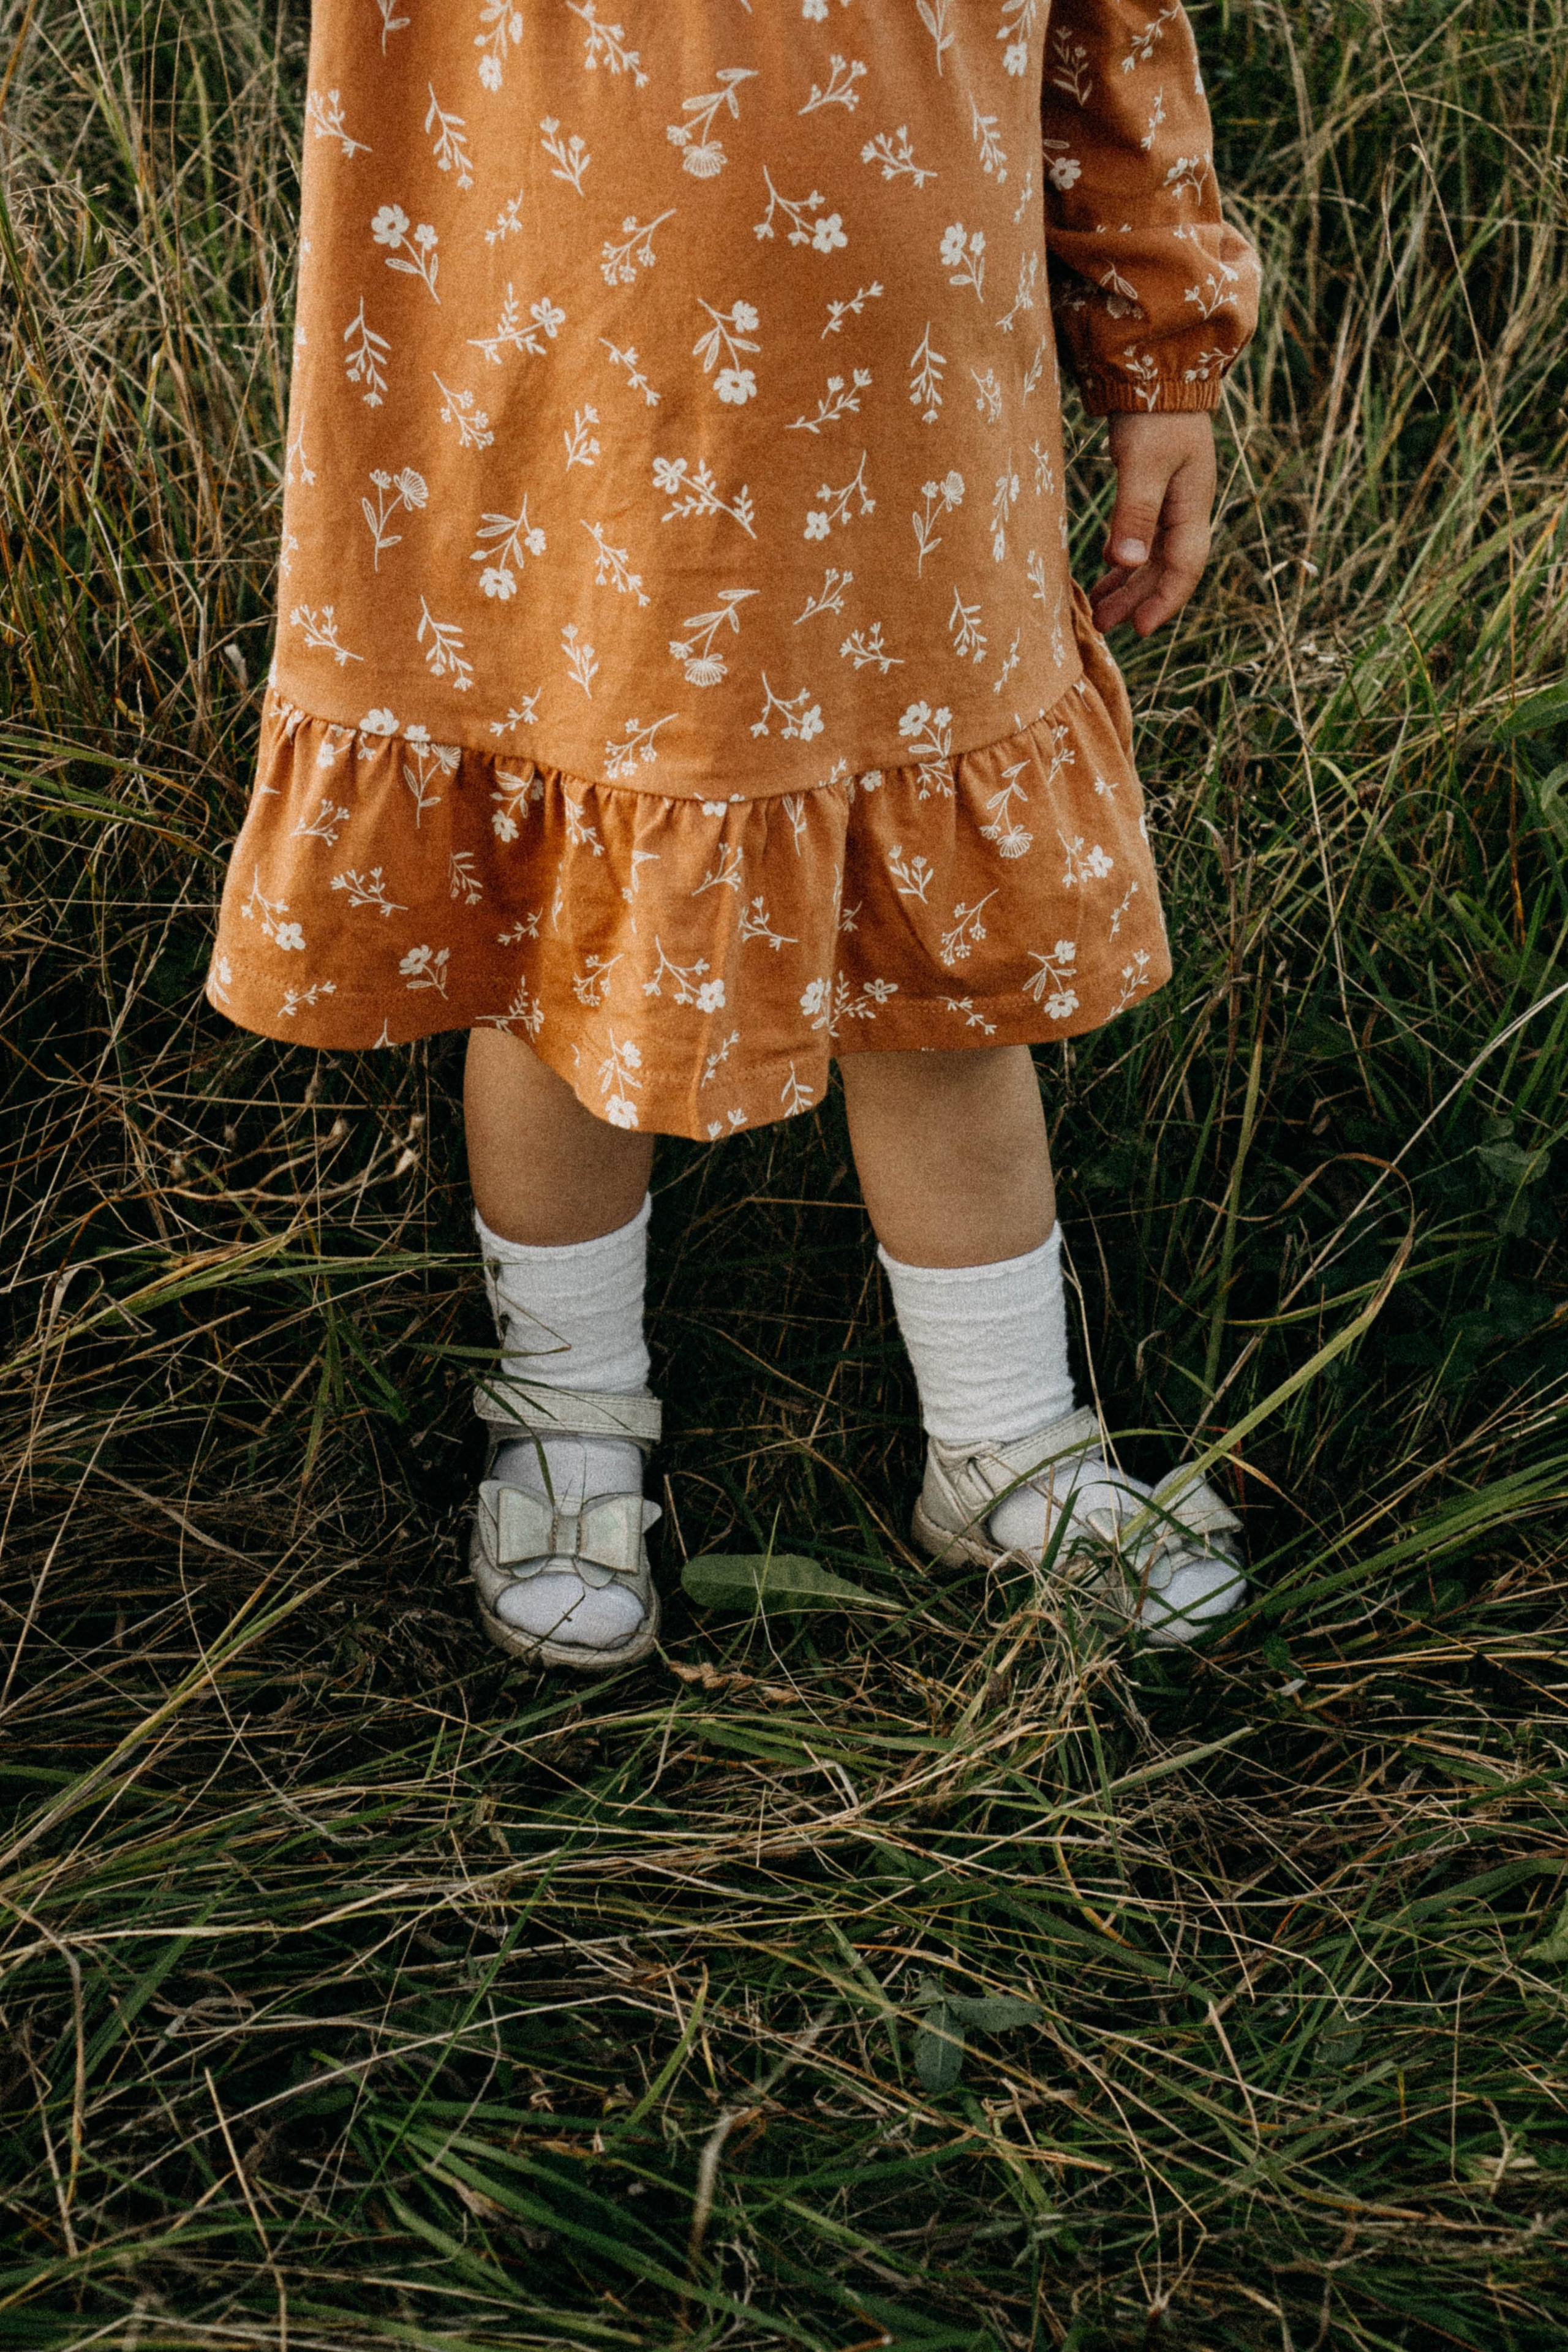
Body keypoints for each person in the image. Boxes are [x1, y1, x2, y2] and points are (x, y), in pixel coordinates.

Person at [208, 0, 1261, 1672]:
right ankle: (567, 1412)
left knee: (941, 969)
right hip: (545, 422)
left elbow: (1106, 42)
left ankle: (1003, 1437)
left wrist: (1159, 358)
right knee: (551, 945)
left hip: (910, 439)